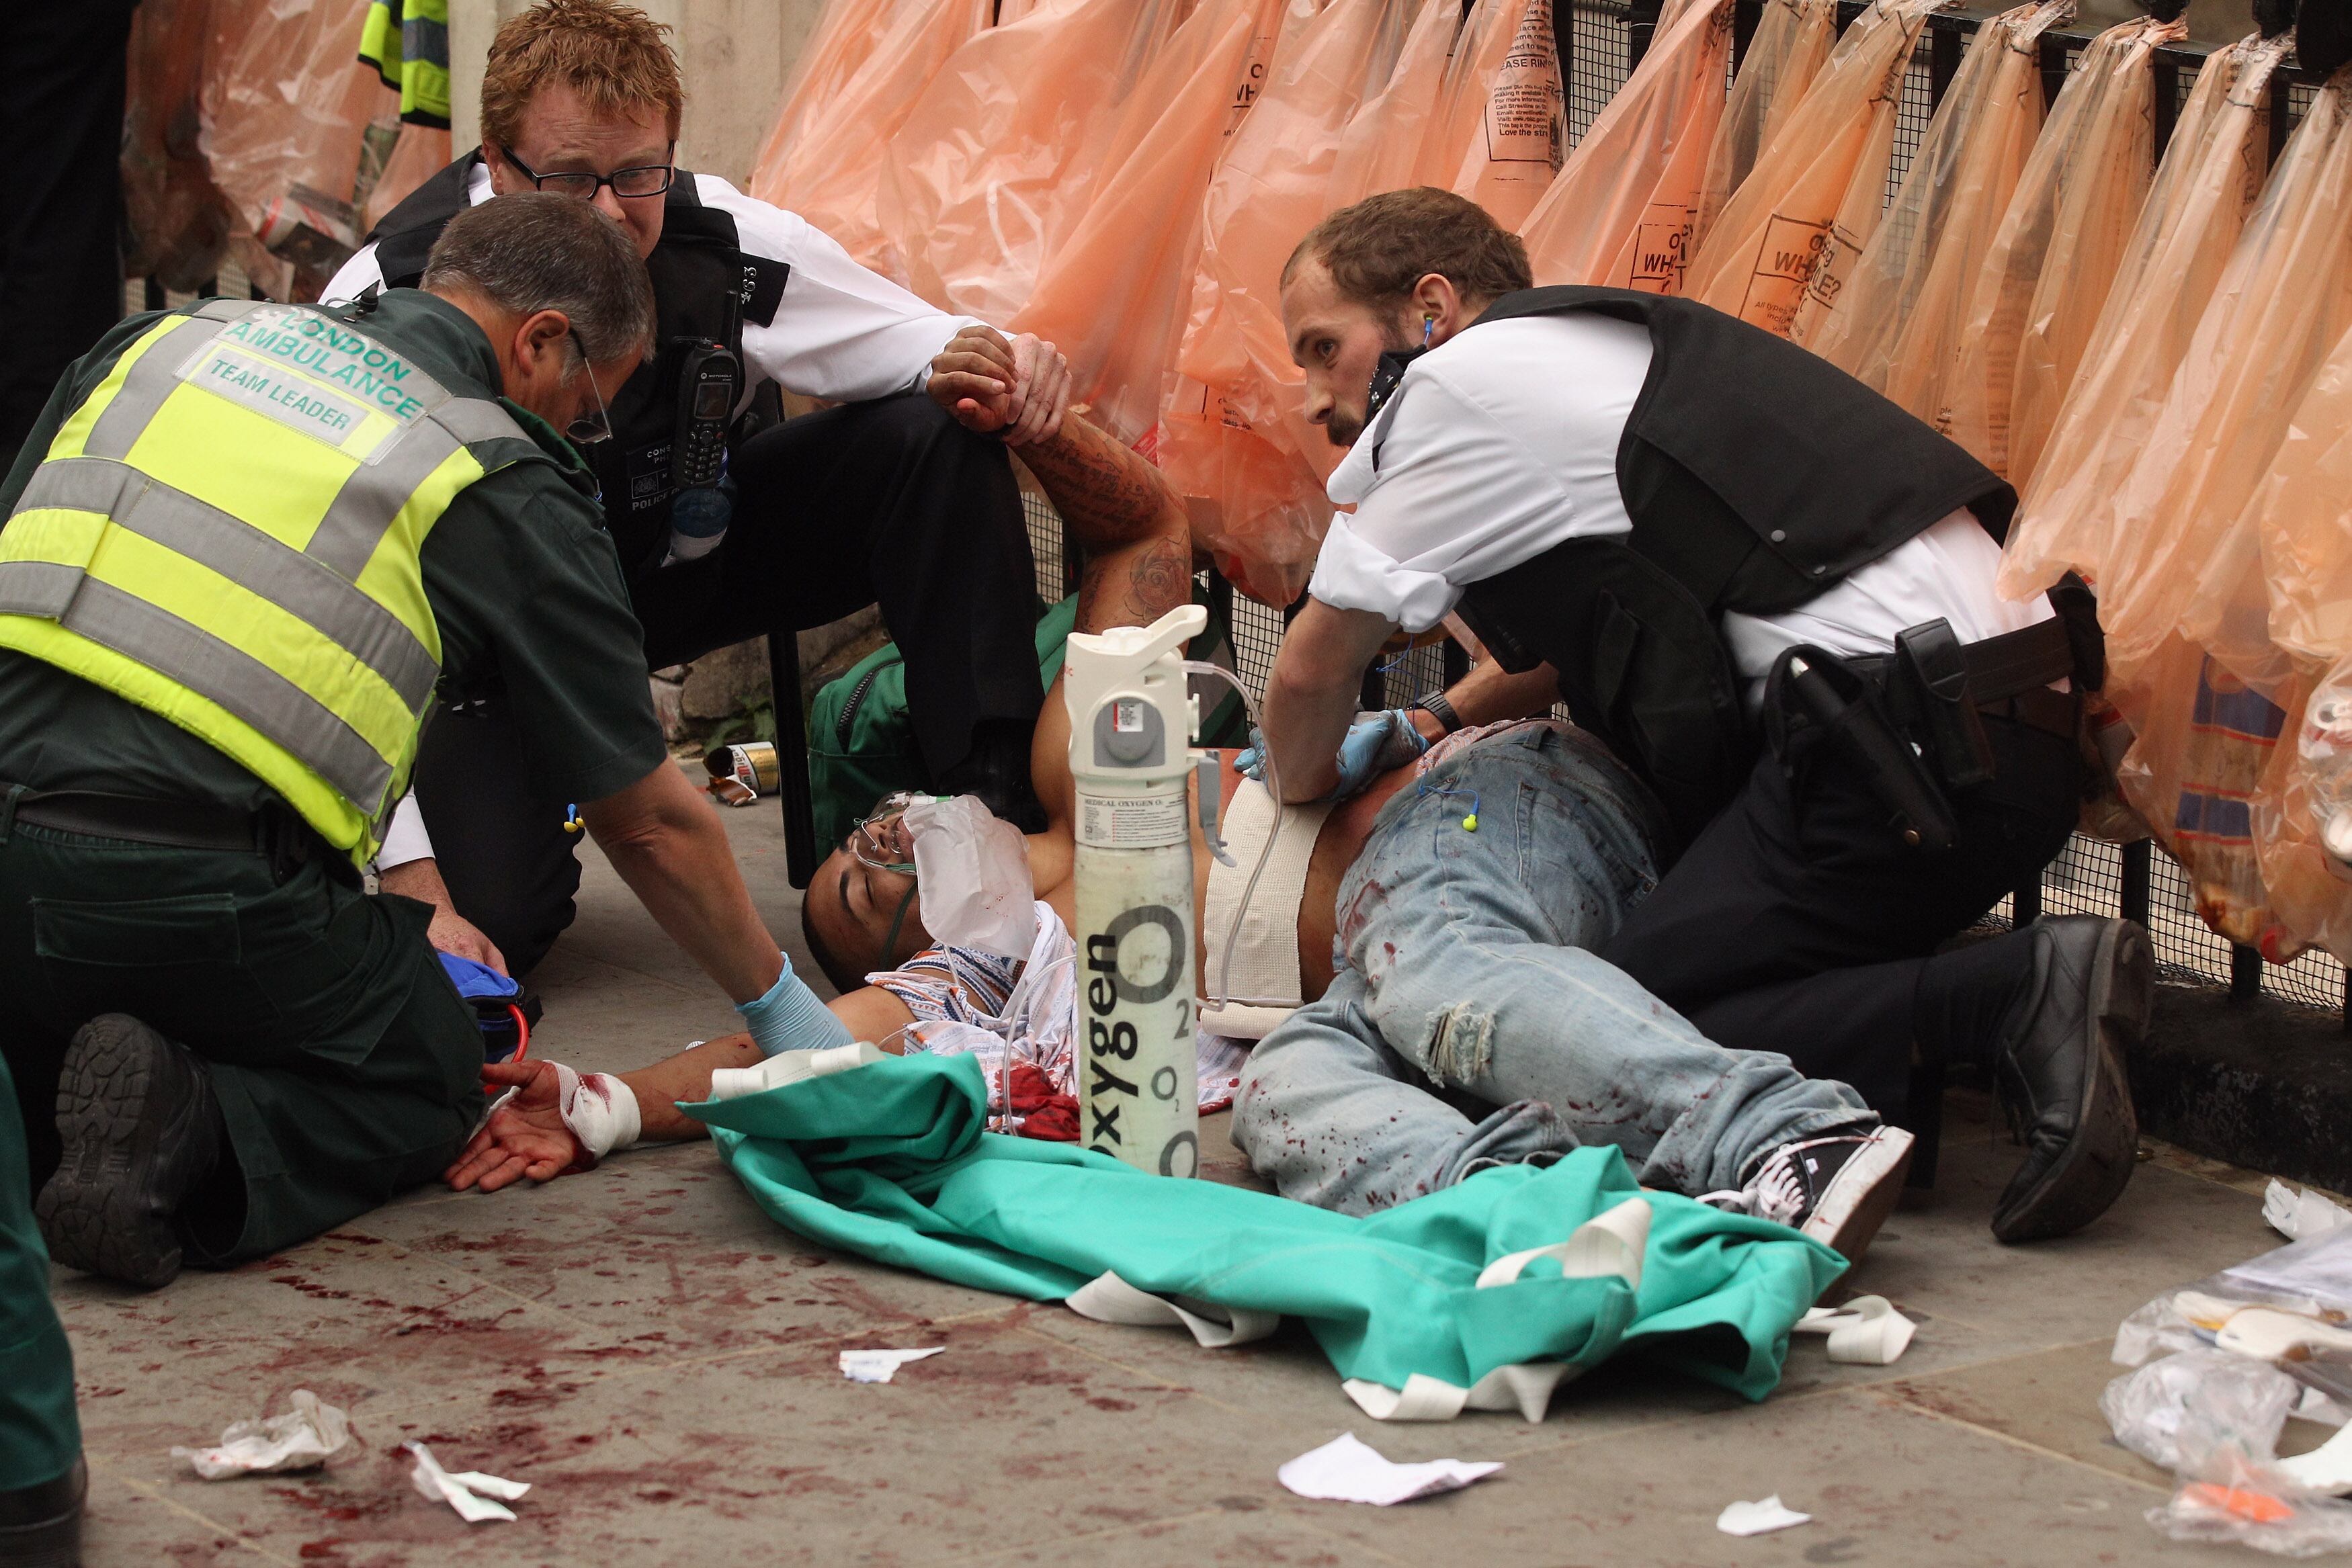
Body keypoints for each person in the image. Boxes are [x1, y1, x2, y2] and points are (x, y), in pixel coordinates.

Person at [444, 421, 1916, 1262]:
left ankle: (1786, 1132)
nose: (876, 847)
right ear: (900, 948)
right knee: (1287, 1107)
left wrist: (1032, 423)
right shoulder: (993, 979)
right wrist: (605, 1108)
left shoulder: (1078, 769)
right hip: (1373, 989)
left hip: (1486, 821)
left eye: (863, 836)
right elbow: (797, 1053)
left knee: (1421, 957)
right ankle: (1582, 1225)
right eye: (850, 887)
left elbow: (1141, 521)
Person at [1257, 187, 2148, 1244]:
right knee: (1651, 999)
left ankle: (2008, 993)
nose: (1316, 395)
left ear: (1430, 307)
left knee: (1627, 1025)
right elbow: (1561, 651)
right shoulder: (1577, 356)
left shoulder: (1457, 393)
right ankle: (1931, 1052)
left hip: (1896, 751)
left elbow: (1314, 672)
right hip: (1996, 729)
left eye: (1325, 346)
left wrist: (1302, 782)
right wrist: (1432, 718)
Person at [0, 194, 851, 1292]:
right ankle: (192, 1129)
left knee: (49, 1012)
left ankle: (44, 1100)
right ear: (540, 339)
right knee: (442, 1063)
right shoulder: (489, 461)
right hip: (190, 886)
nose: (581, 431)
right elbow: (644, 818)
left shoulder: (164, 342)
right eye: (590, 403)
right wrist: (792, 1020)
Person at [323, 0, 1074, 976]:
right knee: (494, 923)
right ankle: (523, 798)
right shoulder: (386, 300)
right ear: (497, 168)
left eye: (638, 175)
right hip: (487, 652)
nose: (607, 211)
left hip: (674, 565)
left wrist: (1014, 361)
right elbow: (328, 602)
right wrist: (411, 870)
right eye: (570, 178)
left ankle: (993, 817)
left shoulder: (723, 242)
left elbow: (923, 342)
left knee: (933, 430)